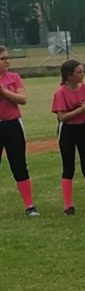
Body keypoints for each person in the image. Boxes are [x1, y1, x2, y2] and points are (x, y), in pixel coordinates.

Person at [52, 59, 85, 214]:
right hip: (67, 130)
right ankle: (68, 205)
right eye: (79, 72)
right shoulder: (60, 92)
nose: (83, 74)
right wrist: (80, 110)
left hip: (83, 129)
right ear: (69, 76)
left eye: (82, 71)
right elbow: (62, 117)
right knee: (68, 167)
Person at [0, 46, 37, 216]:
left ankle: (29, 205)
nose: (7, 61)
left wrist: (4, 92)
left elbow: (23, 99)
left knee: (19, 165)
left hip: (13, 124)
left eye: (7, 58)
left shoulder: (13, 77)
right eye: (3, 59)